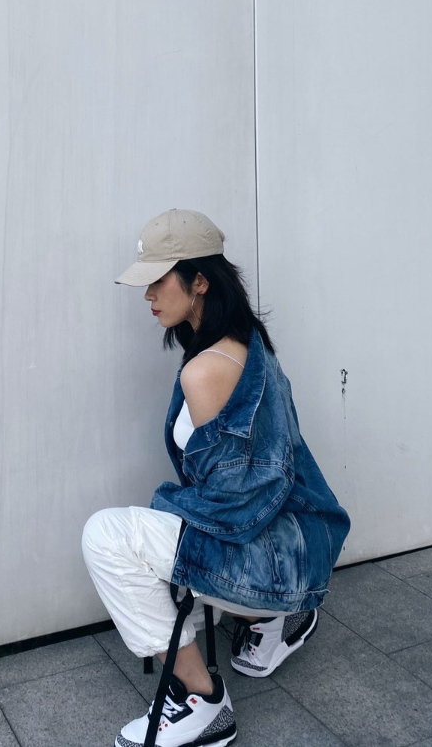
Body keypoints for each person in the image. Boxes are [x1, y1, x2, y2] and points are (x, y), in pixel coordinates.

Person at [82, 208, 350, 747]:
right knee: (163, 532)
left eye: (159, 280)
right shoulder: (245, 341)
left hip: (277, 563)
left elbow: (236, 506)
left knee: (107, 537)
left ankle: (202, 701)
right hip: (300, 544)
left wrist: (164, 513)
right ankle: (275, 620)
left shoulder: (206, 370)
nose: (148, 294)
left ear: (200, 282)